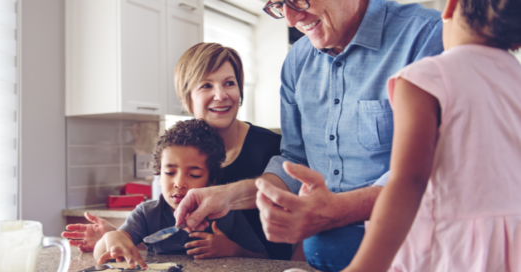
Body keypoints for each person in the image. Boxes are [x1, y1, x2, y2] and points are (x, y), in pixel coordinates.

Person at [173, 0, 444, 271]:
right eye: (278, 5)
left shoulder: (425, 35)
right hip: (320, 262)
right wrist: (225, 196)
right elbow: (295, 162)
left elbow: (431, 171)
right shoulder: (297, 61)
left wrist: (336, 210)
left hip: (407, 256)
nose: (290, 19)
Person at [63, 42, 291, 259]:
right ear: (187, 97)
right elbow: (167, 238)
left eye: (229, 83)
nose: (221, 95)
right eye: (206, 85)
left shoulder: (274, 148)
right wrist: (117, 237)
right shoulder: (176, 153)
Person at [342, 0, 521, 270]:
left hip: (452, 247)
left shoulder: (426, 76)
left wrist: (363, 267)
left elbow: (409, 182)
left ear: (450, 7)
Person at [93, 119, 267, 269]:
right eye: (169, 173)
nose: (179, 183)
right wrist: (111, 236)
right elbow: (101, 257)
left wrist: (233, 250)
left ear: (211, 181)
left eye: (194, 175)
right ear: (159, 176)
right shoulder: (146, 214)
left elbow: (264, 261)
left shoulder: (228, 214)